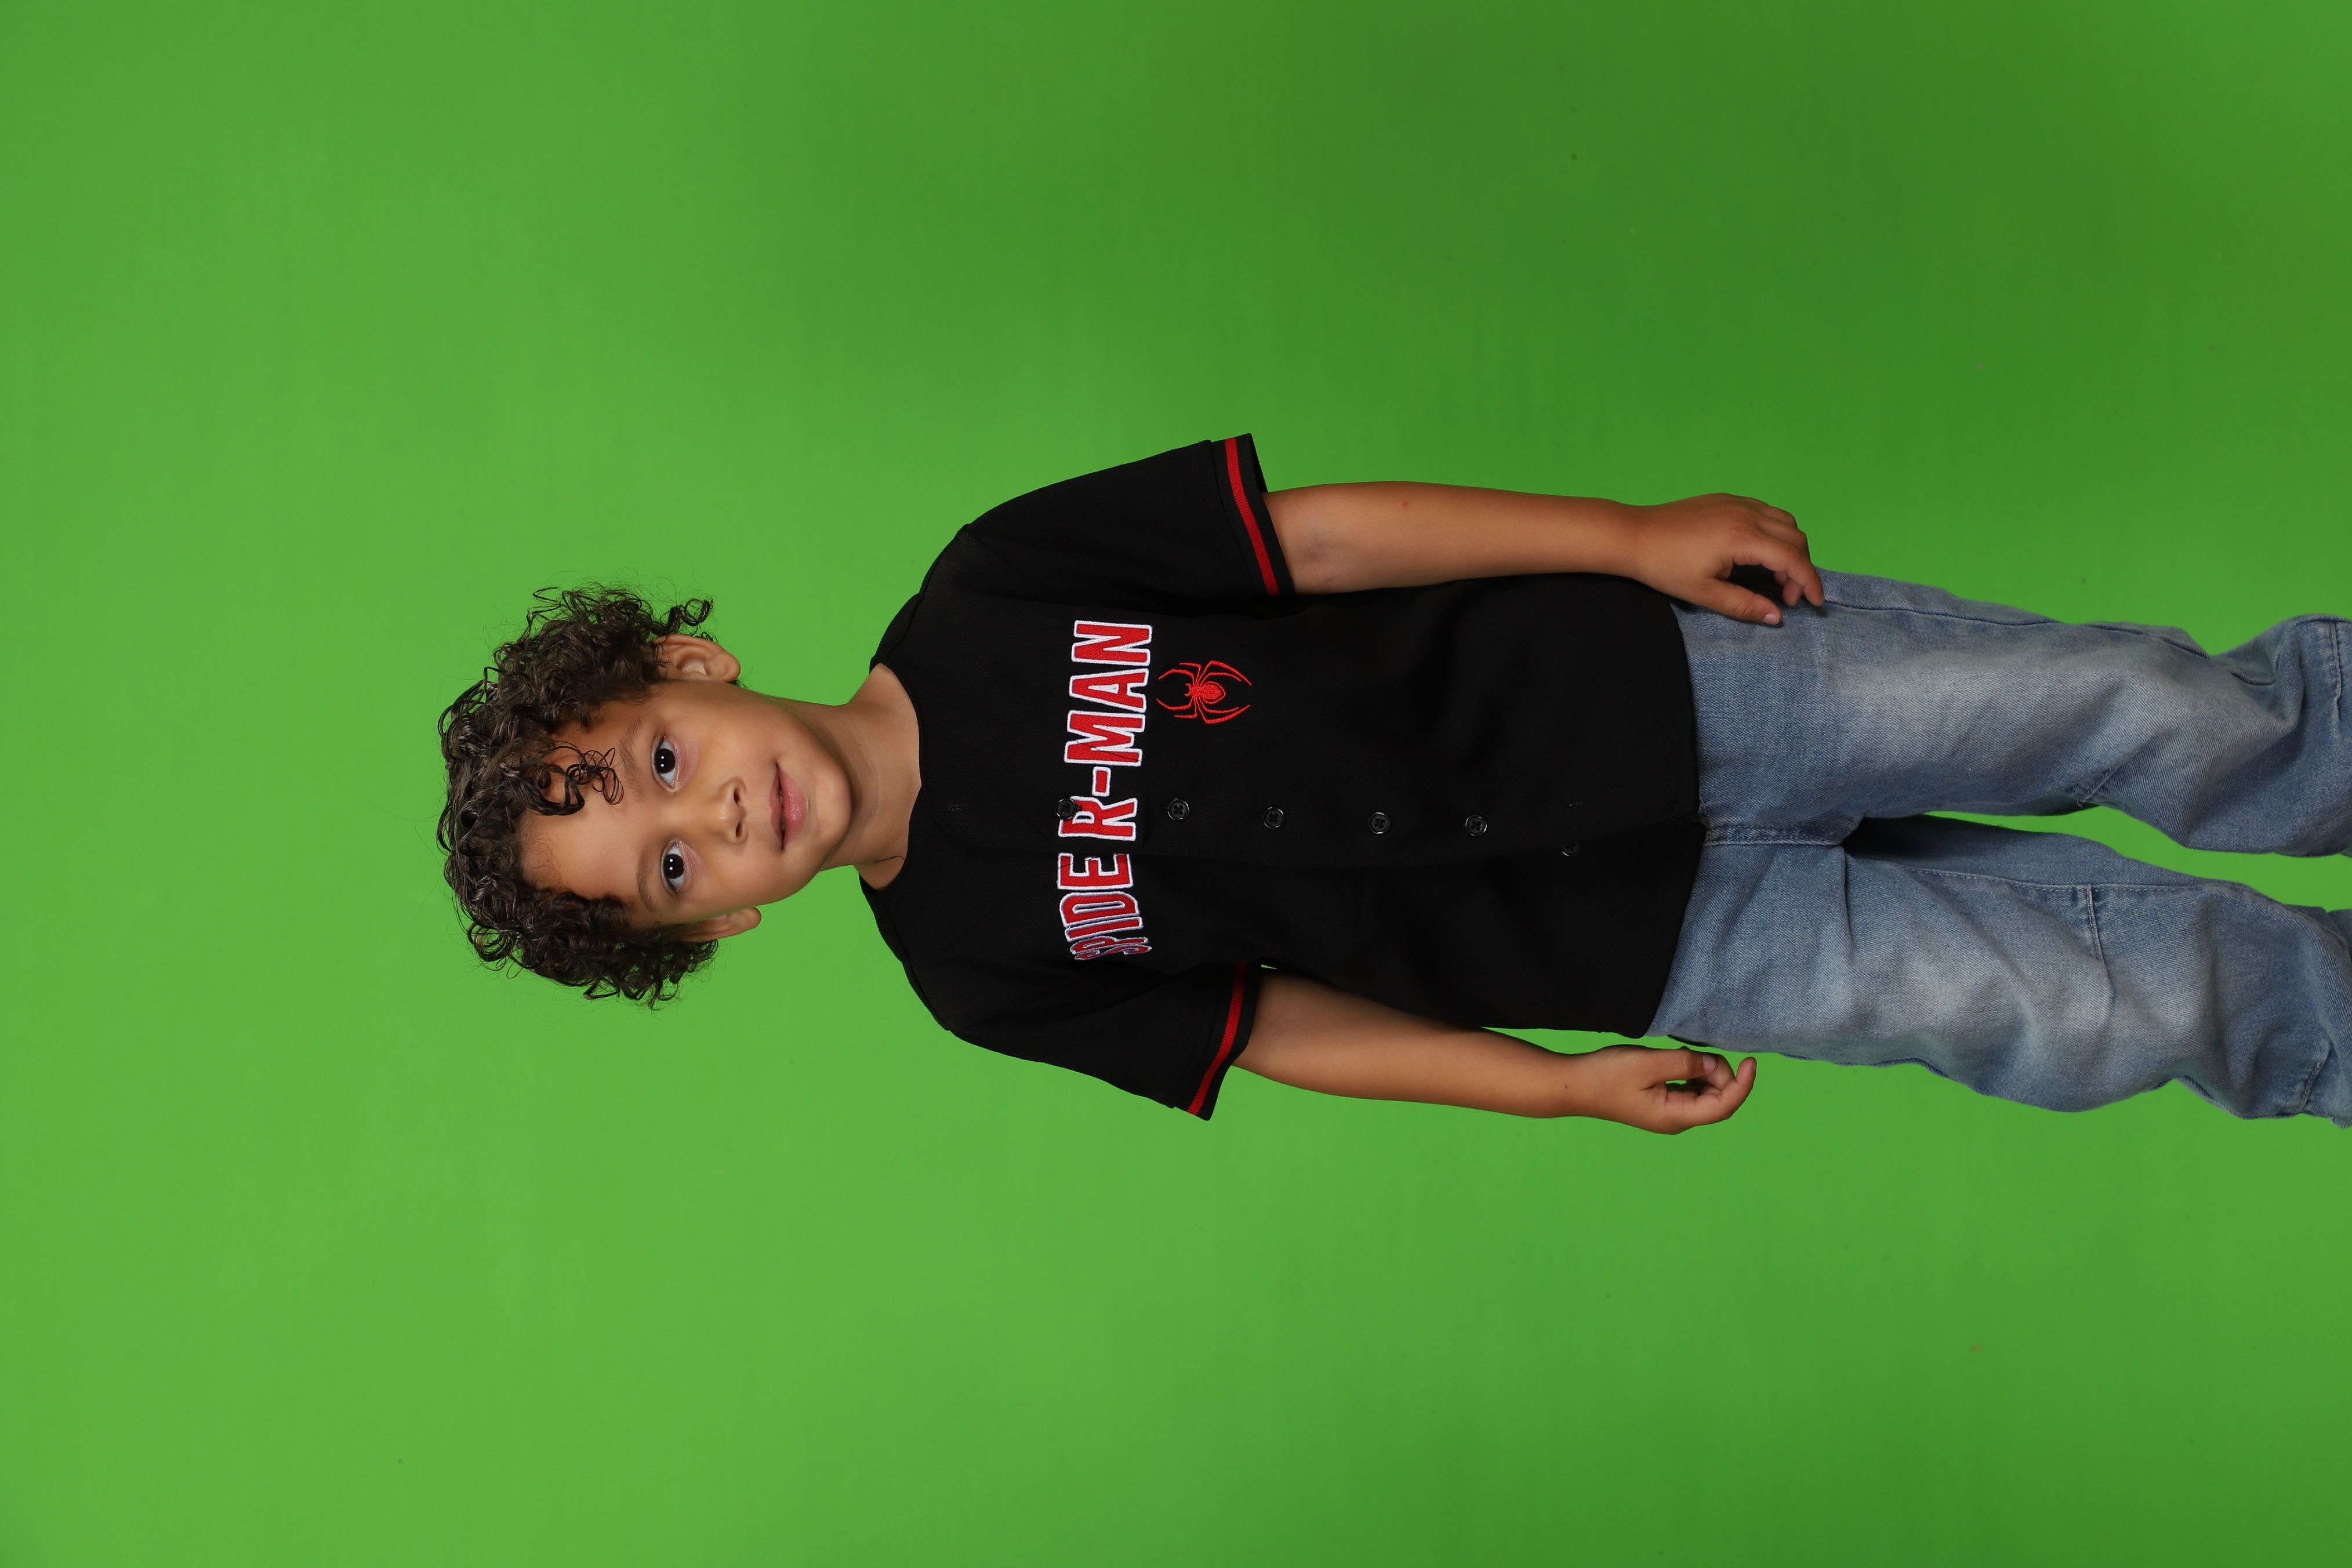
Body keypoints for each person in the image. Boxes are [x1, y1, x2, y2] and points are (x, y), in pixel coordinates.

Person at [437, 437, 2352, 1133]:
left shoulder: (995, 584)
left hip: (1678, 692)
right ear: (717, 926)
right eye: (669, 868)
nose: (711, 818)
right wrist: (1548, 1083)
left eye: (660, 763)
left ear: (690, 667)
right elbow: (1274, 1028)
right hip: (1662, 945)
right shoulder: (972, 970)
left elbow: (1322, 540)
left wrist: (1622, 536)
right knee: (2093, 1008)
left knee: (2130, 708)